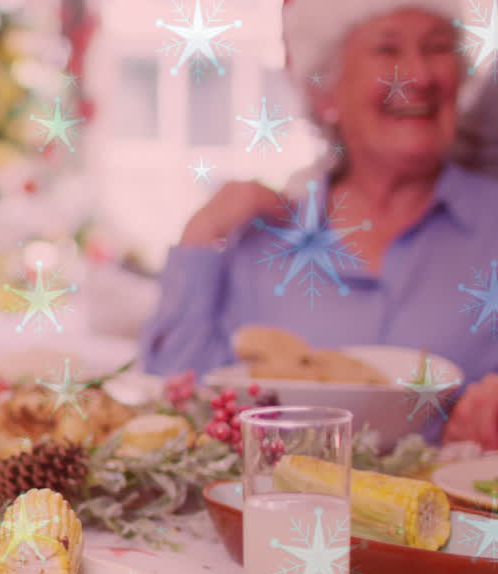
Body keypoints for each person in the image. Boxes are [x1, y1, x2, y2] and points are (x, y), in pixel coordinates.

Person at [140, 0, 498, 448]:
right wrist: (198, 238)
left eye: (438, 47)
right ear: (326, 95)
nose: (420, 75)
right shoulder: (261, 240)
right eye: (387, 50)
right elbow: (174, 409)